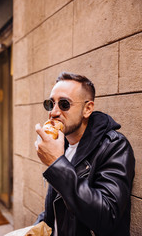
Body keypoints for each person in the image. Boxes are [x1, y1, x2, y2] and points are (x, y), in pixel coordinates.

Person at [34, 72, 135, 236]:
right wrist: (36, 227)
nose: (53, 112)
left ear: (87, 109)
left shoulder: (114, 146)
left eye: (64, 104)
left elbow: (107, 217)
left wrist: (57, 164)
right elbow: (56, 205)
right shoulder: (62, 143)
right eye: (50, 103)